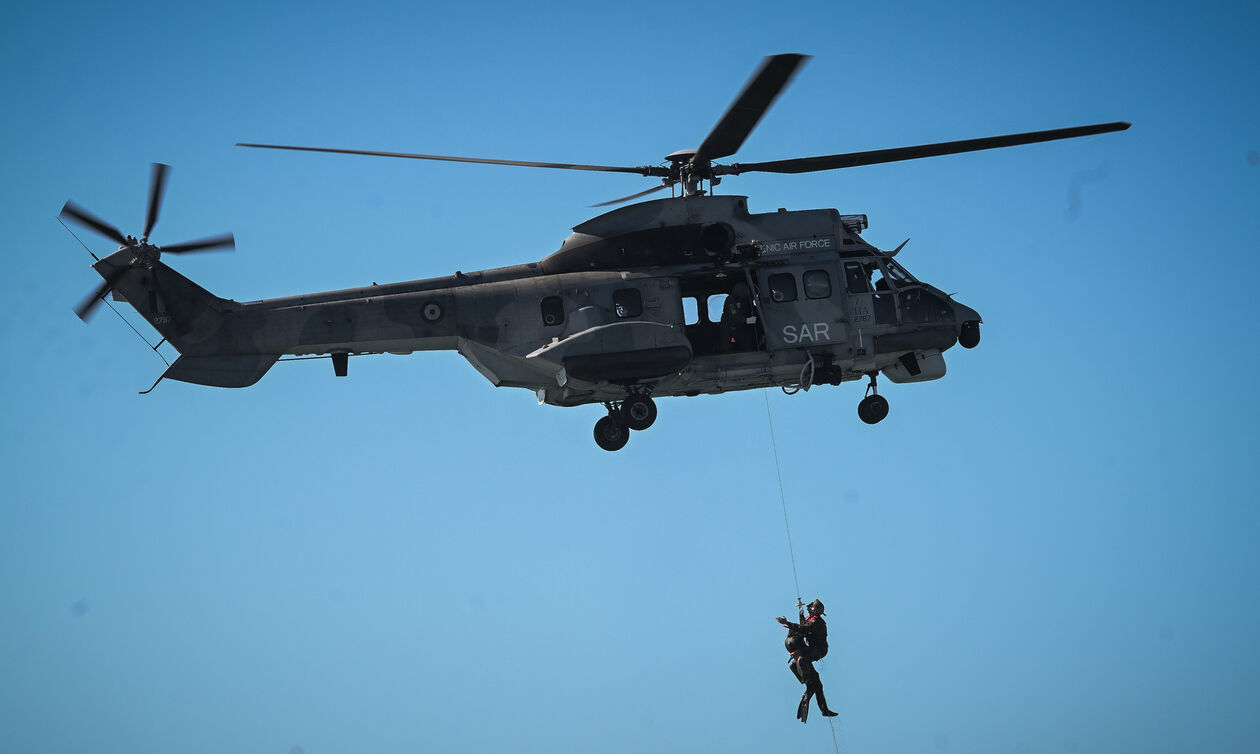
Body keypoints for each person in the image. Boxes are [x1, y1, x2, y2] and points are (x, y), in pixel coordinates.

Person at [776, 599, 838, 722]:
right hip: (810, 649)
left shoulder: (815, 621)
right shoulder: (810, 619)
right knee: (817, 684)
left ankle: (807, 681)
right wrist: (799, 618)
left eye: (811, 607)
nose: (809, 608)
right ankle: (824, 709)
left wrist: (787, 622)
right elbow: (802, 627)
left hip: (819, 650)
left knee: (803, 661)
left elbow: (803, 629)